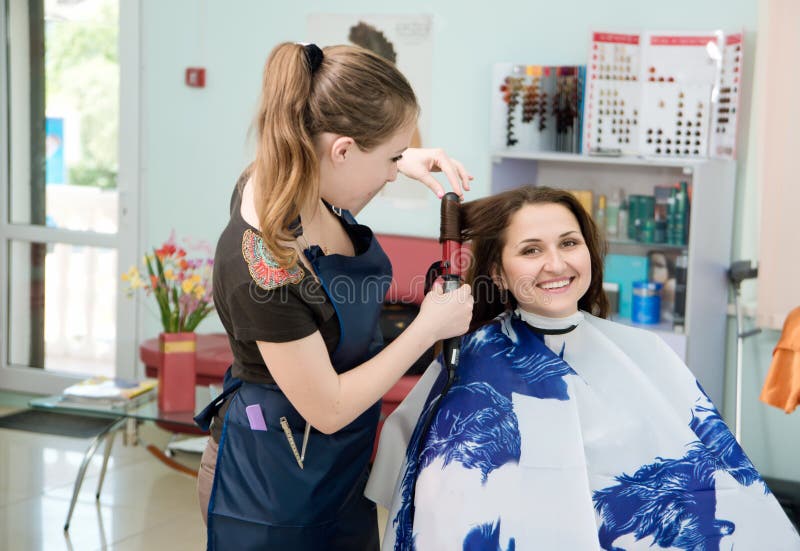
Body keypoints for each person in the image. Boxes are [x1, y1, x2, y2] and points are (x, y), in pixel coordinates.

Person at [367, 186, 800, 550]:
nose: (556, 264)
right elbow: (439, 506)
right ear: (497, 272)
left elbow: (714, 486)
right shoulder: (469, 360)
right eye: (531, 250)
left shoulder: (643, 352)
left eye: (569, 243)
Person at [193, 42, 474, 550]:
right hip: (274, 485)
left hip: (341, 472)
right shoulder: (262, 265)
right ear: (341, 150)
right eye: (389, 159)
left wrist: (403, 154)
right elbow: (329, 407)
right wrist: (428, 327)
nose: (394, 174)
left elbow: (309, 150)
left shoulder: (296, 177)